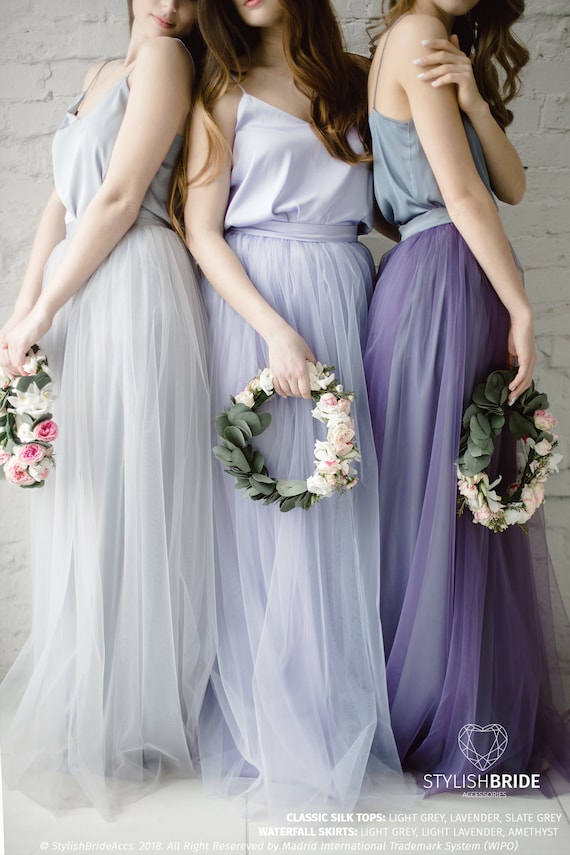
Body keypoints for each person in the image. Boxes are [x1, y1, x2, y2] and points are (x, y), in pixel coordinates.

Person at [182, 0, 406, 813]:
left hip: (346, 290)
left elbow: (399, 195)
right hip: (259, 303)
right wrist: (275, 329)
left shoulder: (354, 84)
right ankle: (270, 726)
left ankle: (332, 708)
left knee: (340, 505)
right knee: (270, 513)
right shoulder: (225, 92)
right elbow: (203, 232)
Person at [0, 0, 214, 814]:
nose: (169, 4)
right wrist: (24, 311)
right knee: (84, 493)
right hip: (77, 288)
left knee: (124, 496)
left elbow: (121, 196)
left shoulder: (168, 62)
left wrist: (44, 310)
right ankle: (92, 699)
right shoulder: (99, 76)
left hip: (128, 285)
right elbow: (58, 205)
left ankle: (125, 716)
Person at [364, 0, 570, 788]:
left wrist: (477, 101)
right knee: (445, 500)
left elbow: (509, 184)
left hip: (450, 279)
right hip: (446, 280)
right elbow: (462, 195)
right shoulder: (414, 34)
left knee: (459, 494)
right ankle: (434, 710)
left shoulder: (432, 46)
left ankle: (460, 706)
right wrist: (520, 303)